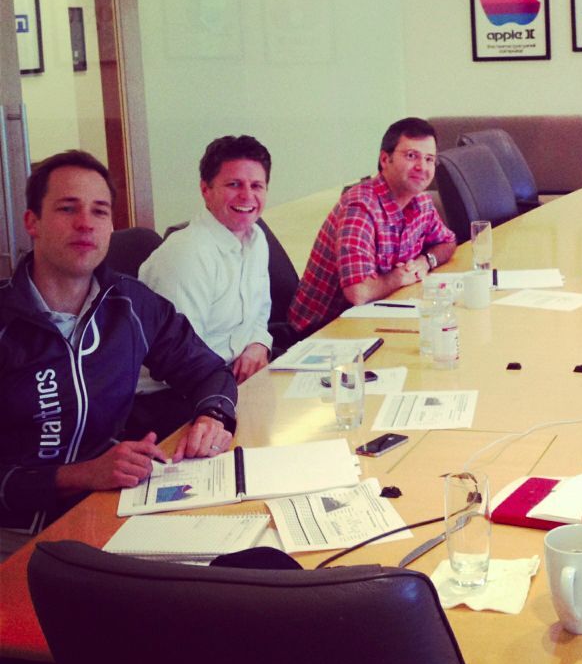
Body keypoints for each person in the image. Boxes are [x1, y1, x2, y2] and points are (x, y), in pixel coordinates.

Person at [0, 151, 237, 559]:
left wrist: (213, 415)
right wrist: (78, 476)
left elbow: (210, 372)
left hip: (105, 512)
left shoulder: (129, 304)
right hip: (15, 537)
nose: (85, 223)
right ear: (32, 222)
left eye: (100, 211)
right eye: (67, 208)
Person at [134, 136, 272, 438]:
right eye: (234, 185)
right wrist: (224, 388)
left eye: (256, 186)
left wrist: (258, 344)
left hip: (229, 378)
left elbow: (260, 311)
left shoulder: (255, 238)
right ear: (205, 190)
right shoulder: (187, 253)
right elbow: (183, 361)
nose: (247, 195)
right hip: (175, 397)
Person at [288, 117, 457, 335]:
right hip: (321, 332)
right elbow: (359, 292)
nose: (421, 167)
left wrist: (425, 261)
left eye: (429, 159)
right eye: (411, 156)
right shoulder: (360, 207)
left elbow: (448, 241)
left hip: (374, 319)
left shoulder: (421, 202)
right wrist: (399, 277)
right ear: (385, 159)